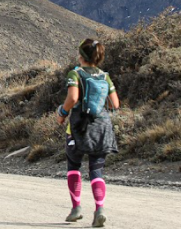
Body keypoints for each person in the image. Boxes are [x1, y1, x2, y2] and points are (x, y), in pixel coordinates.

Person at [56, 39, 119, 227]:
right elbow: (115, 104)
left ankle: (76, 208)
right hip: (102, 127)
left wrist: (62, 113)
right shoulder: (105, 76)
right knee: (96, 170)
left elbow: (73, 97)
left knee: (74, 166)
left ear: (81, 56)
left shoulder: (75, 74)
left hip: (79, 127)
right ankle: (99, 209)